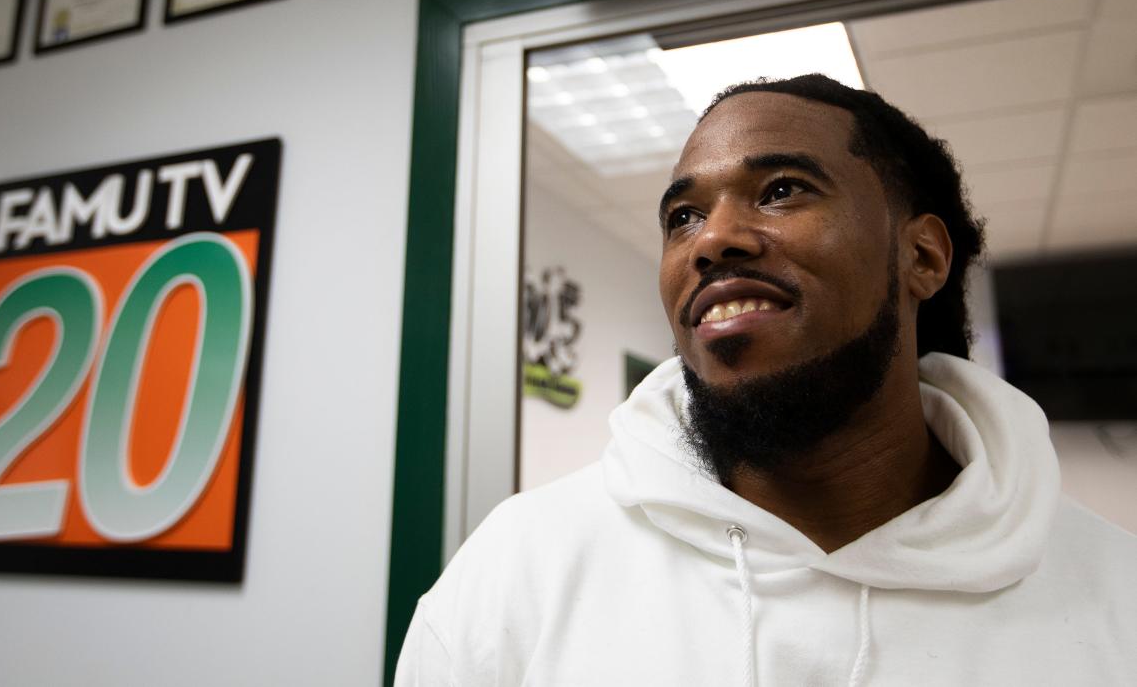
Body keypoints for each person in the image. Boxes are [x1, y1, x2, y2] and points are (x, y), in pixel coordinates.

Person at [394, 74, 1137, 685]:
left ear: (923, 257)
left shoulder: (1113, 596)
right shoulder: (519, 567)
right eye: (683, 216)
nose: (712, 239)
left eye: (782, 190)